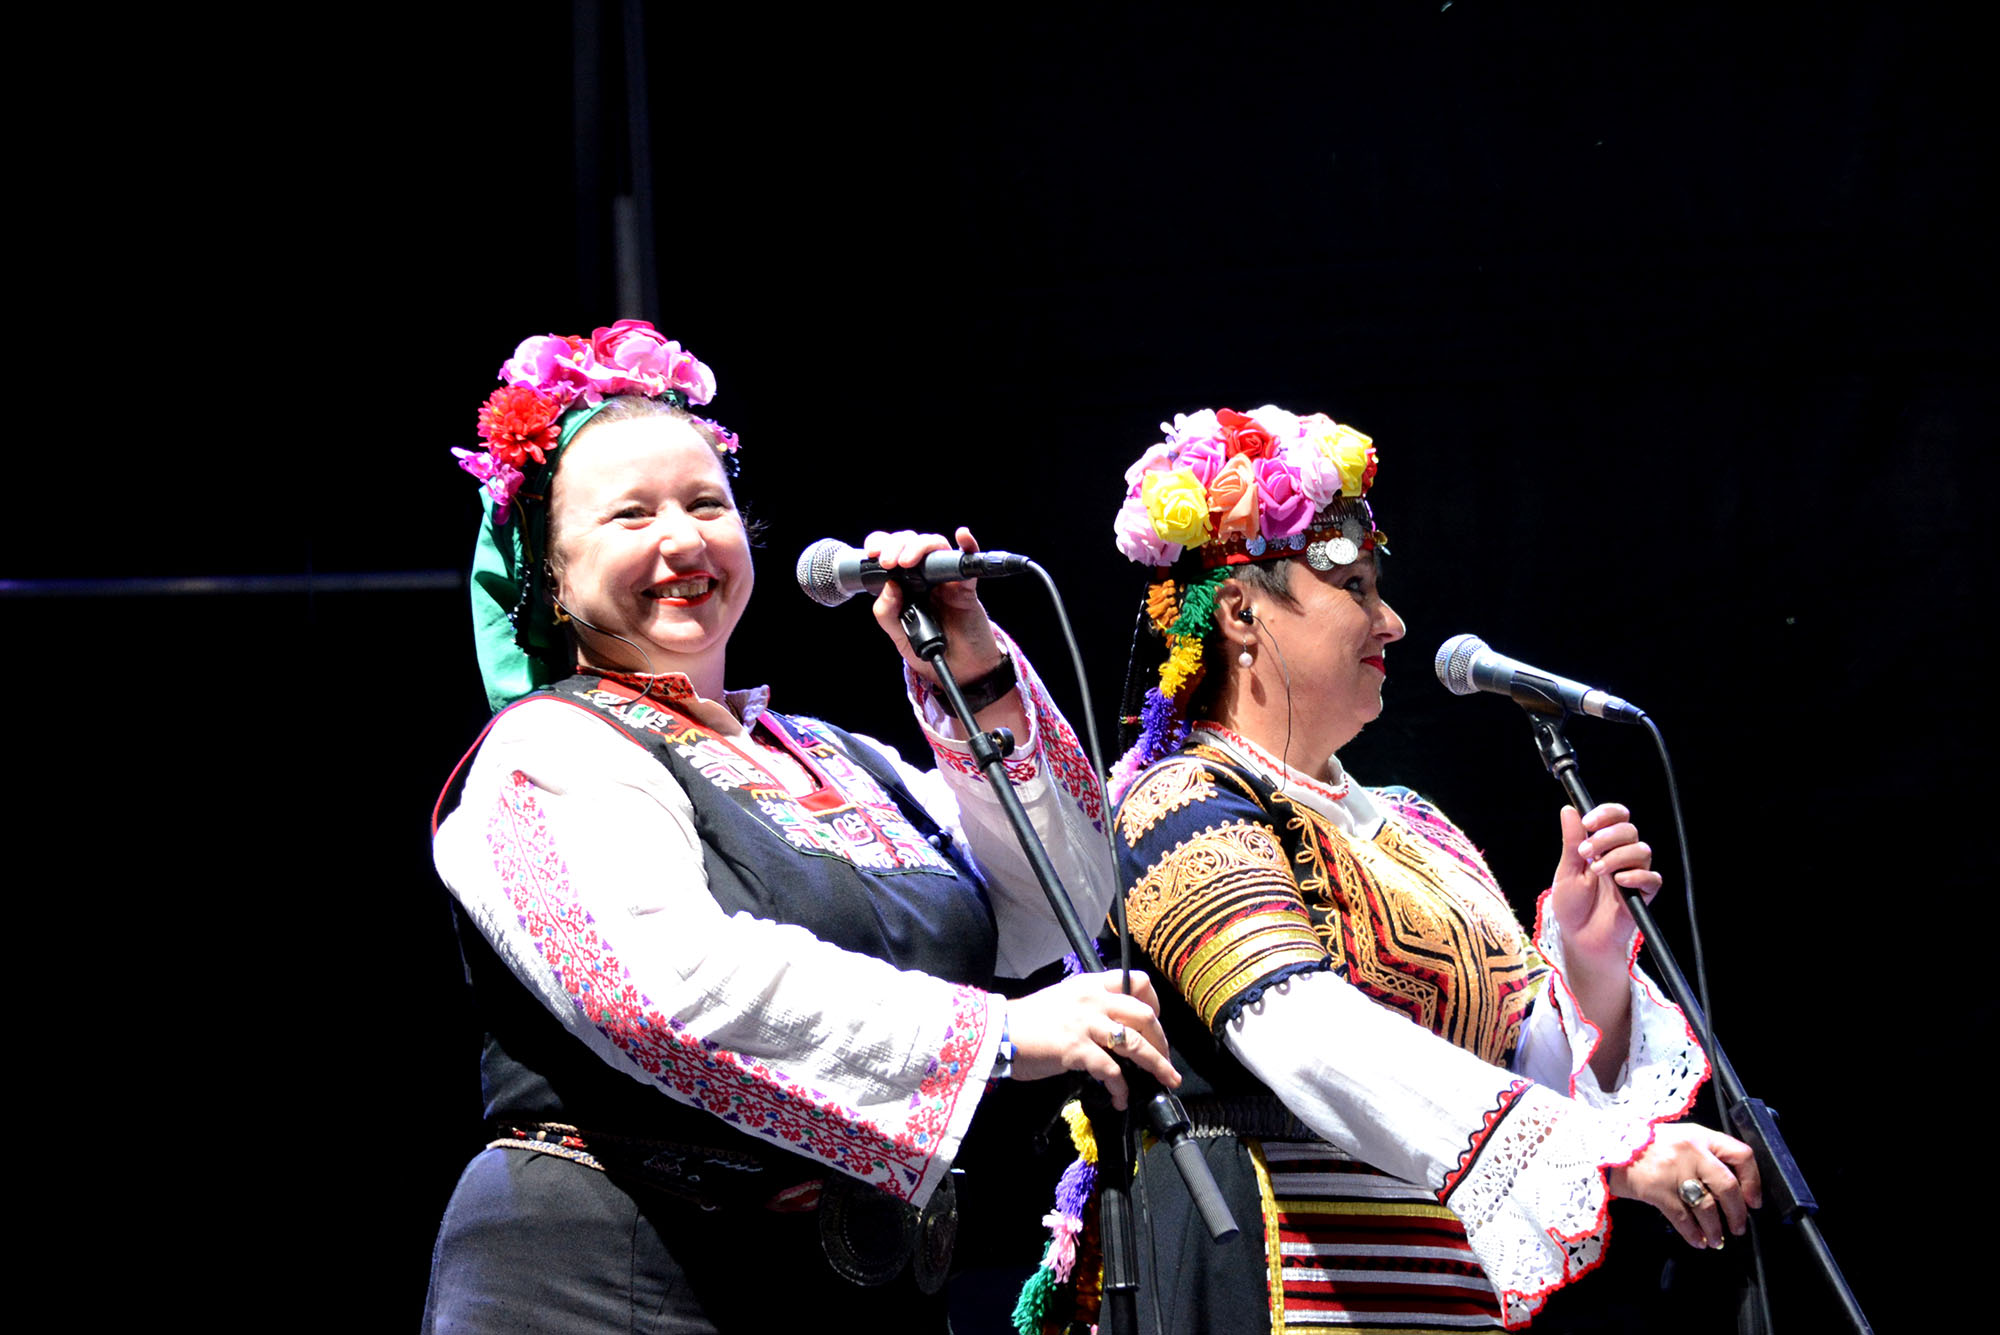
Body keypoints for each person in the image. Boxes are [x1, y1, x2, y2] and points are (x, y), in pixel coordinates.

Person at [424, 321, 1177, 1332]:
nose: (683, 540)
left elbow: (1063, 902)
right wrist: (995, 1035)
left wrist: (971, 674)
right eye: (630, 514)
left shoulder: (837, 758)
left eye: (706, 504)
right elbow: (665, 990)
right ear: (549, 576)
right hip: (611, 1280)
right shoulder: (546, 747)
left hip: (844, 1286)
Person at [1019, 406, 1760, 1333]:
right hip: (1268, 1274)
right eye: (1356, 587)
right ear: (1242, 612)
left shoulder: (1415, 826)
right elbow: (1303, 1030)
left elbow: (1517, 1069)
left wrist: (1587, 963)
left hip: (1437, 1295)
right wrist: (1604, 1151)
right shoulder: (1178, 802)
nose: (1393, 621)